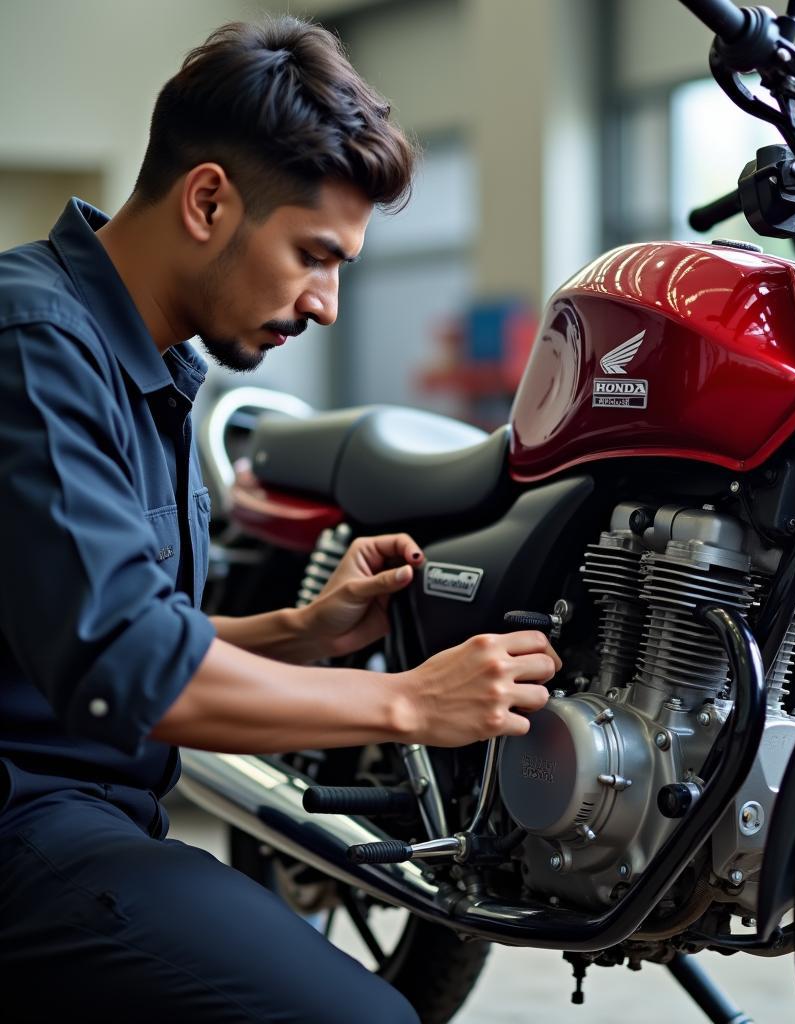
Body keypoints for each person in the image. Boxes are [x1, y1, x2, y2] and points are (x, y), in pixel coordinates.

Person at [0, 16, 558, 1023]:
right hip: (26, 831)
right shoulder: (35, 340)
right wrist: (411, 706)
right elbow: (125, 672)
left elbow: (83, 631)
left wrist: (296, 634)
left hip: (90, 817)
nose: (330, 302)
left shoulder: (151, 369)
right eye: (315, 253)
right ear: (208, 199)